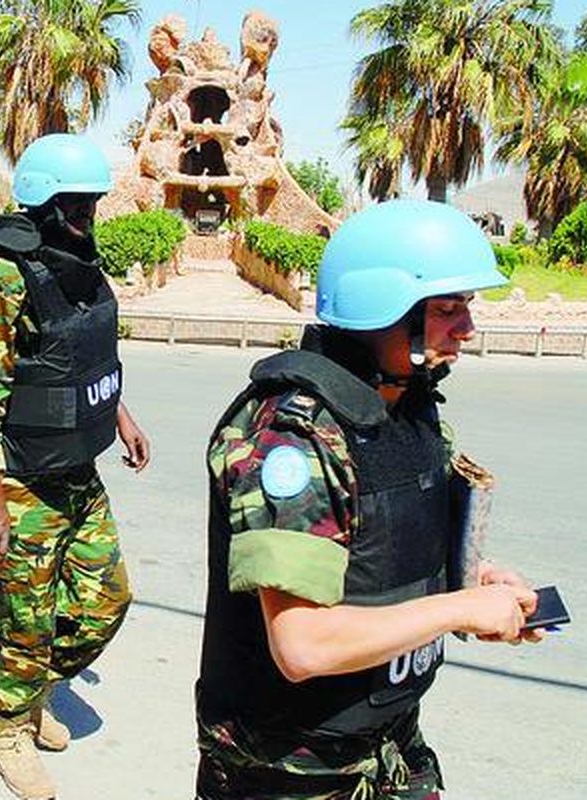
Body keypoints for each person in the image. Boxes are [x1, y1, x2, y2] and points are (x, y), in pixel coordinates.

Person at [196, 199, 544, 800]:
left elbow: (382, 545)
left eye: (466, 308)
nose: (467, 329)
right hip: (289, 769)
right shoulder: (293, 438)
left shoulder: (404, 415)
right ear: (383, 310)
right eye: (447, 309)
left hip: (388, 744)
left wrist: (475, 582)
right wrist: (459, 610)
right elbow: (303, 644)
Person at [0, 133, 149, 800]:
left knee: (105, 600)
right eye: (76, 202)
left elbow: (81, 356)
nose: (89, 214)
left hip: (76, 470)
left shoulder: (78, 263)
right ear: (43, 202)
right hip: (17, 478)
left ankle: (32, 685)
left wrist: (120, 414)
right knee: (25, 616)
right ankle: (11, 729)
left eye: (93, 201)